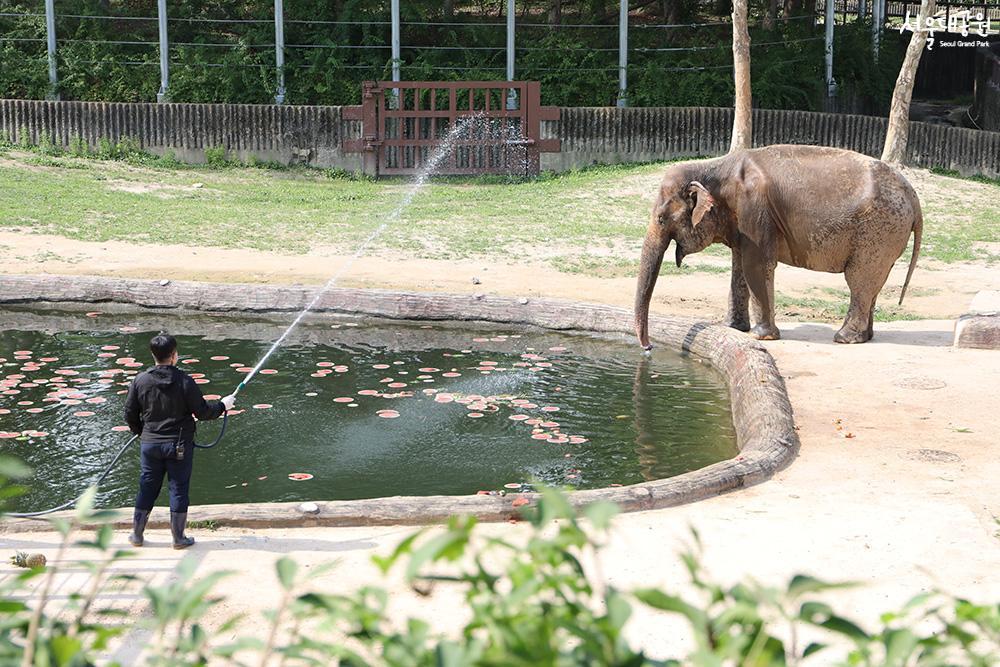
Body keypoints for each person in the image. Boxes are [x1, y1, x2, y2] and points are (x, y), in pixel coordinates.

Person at [124, 333, 236, 549]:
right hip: (179, 446)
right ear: (174, 355)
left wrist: (141, 433)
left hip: (150, 444)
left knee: (147, 487)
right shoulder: (185, 381)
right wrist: (223, 405)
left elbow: (129, 413)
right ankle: (178, 539)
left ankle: (137, 536)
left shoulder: (140, 380)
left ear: (153, 355)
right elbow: (203, 412)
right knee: (178, 488)